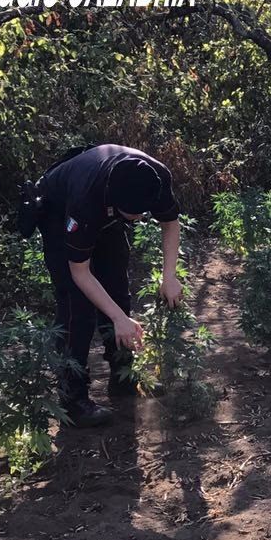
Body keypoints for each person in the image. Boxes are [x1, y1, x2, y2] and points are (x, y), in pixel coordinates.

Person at [32, 144, 183, 427]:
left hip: (107, 213)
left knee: (117, 288)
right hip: (57, 212)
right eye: (133, 214)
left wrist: (169, 276)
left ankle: (123, 377)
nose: (139, 219)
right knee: (76, 307)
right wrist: (117, 319)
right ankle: (73, 400)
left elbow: (170, 223)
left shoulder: (154, 177)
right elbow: (80, 272)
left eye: (142, 213)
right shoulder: (85, 199)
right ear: (114, 202)